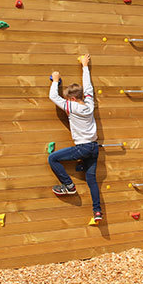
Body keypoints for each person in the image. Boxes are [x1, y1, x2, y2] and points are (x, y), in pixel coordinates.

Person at [47, 54, 102, 223]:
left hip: (83, 148)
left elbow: (53, 97)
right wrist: (84, 66)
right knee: (92, 180)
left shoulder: (70, 106)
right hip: (94, 147)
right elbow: (89, 87)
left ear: (71, 99)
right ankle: (97, 211)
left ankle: (69, 186)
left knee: (53, 158)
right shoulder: (90, 104)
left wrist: (55, 80)